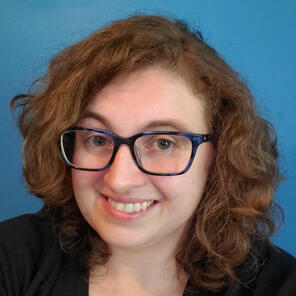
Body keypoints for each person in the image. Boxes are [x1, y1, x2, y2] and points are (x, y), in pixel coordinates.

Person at [0, 15, 295, 296]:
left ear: (219, 157)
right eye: (98, 138)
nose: (120, 180)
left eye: (163, 143)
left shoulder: (278, 285)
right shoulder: (12, 257)